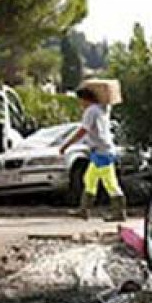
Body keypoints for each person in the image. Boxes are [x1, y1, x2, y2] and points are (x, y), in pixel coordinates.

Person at [58, 85, 125, 221]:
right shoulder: (102, 109)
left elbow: (83, 130)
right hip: (102, 150)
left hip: (102, 151)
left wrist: (66, 145)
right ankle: (84, 210)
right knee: (90, 179)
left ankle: (118, 212)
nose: (80, 104)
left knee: (110, 182)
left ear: (85, 99)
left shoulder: (91, 111)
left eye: (80, 100)